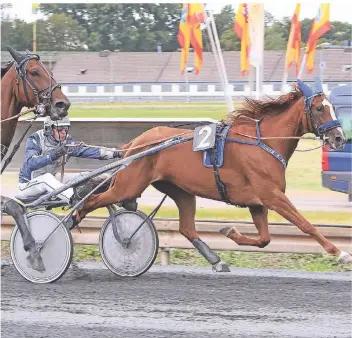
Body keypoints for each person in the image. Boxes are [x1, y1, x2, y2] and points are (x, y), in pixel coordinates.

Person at [16, 116, 122, 204]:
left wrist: (116, 153)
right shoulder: (35, 139)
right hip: (27, 187)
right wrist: (55, 154)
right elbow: (31, 163)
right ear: (49, 129)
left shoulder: (67, 141)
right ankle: (73, 199)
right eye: (60, 129)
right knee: (46, 178)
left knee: (86, 176)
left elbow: (88, 151)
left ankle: (118, 197)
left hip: (52, 184)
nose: (63, 132)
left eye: (66, 129)